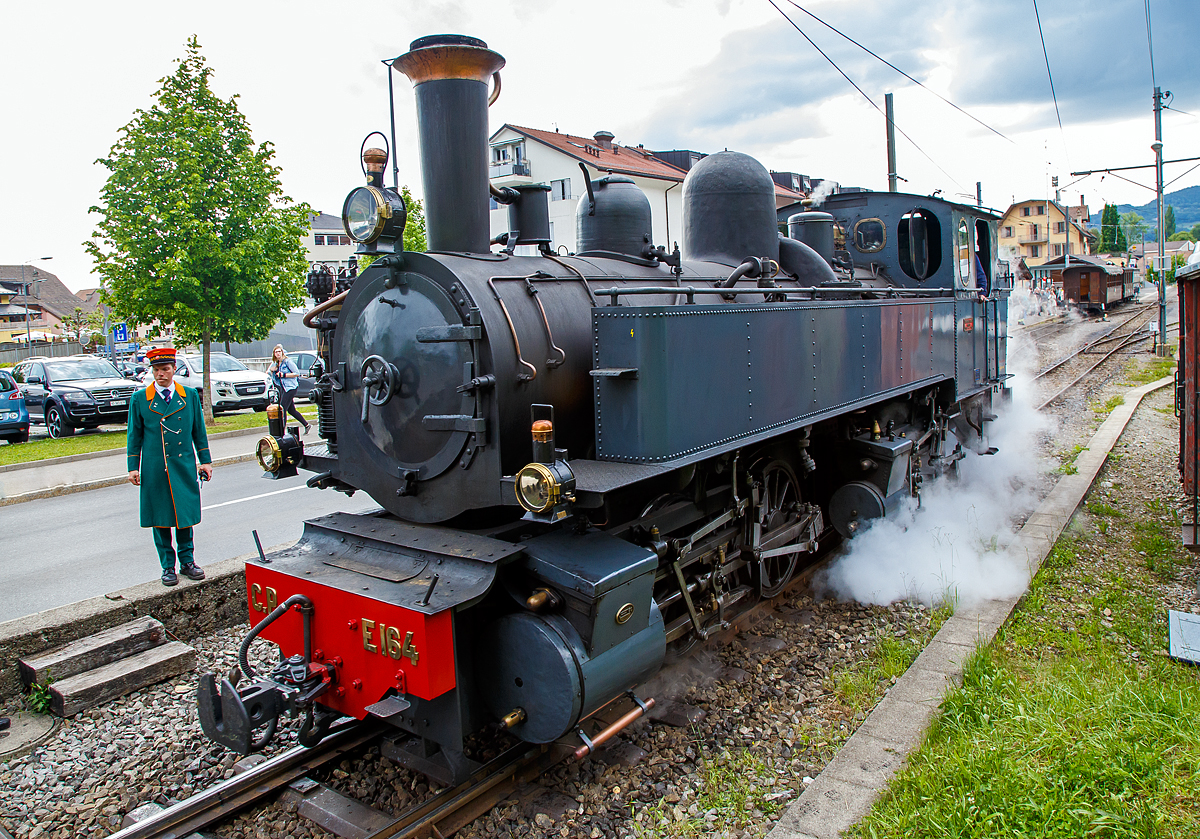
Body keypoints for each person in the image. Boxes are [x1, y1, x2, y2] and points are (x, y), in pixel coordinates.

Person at [126, 346, 213, 586]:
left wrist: (205, 461)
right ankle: (167, 567)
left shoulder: (189, 395)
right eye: (156, 370)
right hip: (155, 467)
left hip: (183, 465)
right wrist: (133, 466)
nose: (160, 374)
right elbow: (134, 434)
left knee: (184, 516)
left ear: (174, 369)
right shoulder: (141, 398)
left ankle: (188, 562)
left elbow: (199, 431)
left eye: (165, 369)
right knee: (160, 518)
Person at [268, 344, 311, 434]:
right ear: (274, 354)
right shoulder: (276, 364)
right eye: (276, 352)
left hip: (291, 387)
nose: (278, 353)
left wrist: (283, 375)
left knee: (282, 409)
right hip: (283, 388)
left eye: (279, 351)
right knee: (291, 410)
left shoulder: (287, 362)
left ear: (282, 352)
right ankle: (306, 425)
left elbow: (296, 373)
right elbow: (269, 373)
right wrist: (272, 370)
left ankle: (281, 431)